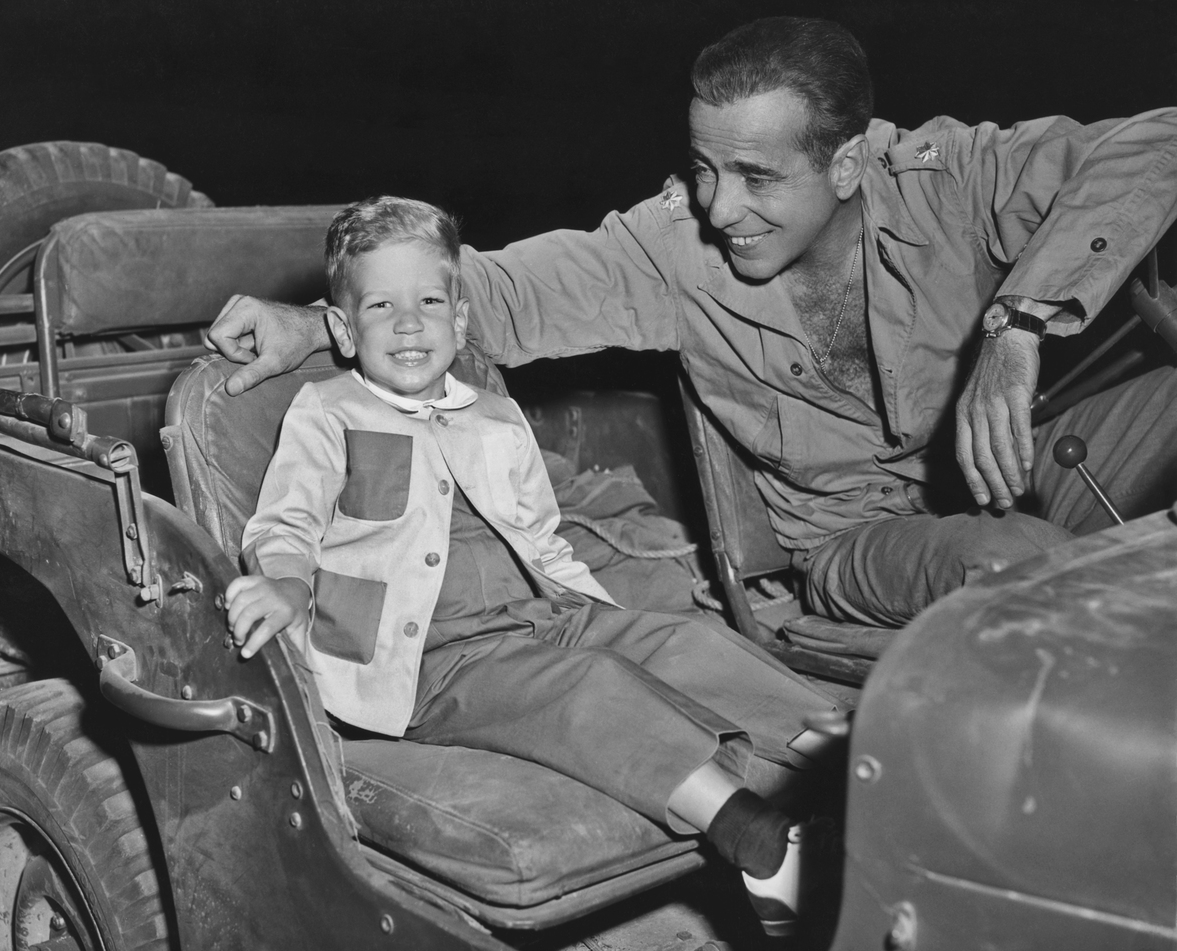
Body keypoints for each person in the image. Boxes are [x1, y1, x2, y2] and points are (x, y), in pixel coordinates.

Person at [209, 17, 1177, 627]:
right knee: (1026, 570)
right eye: (706, 168)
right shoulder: (672, 250)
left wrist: (1017, 325)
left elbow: (1157, 143)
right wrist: (314, 323)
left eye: (756, 177)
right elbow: (497, 294)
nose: (719, 207)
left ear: (847, 165)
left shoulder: (951, 180)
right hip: (860, 542)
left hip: (1015, 471)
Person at [224, 196, 841, 938]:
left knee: (685, 640)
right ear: (343, 329)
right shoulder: (328, 410)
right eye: (381, 305)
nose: (409, 323)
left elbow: (543, 540)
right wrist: (287, 581)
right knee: (587, 687)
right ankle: (758, 843)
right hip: (430, 660)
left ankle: (853, 758)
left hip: (539, 616)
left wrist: (602, 617)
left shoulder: (495, 416)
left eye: (429, 302)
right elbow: (285, 521)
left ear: (460, 319)